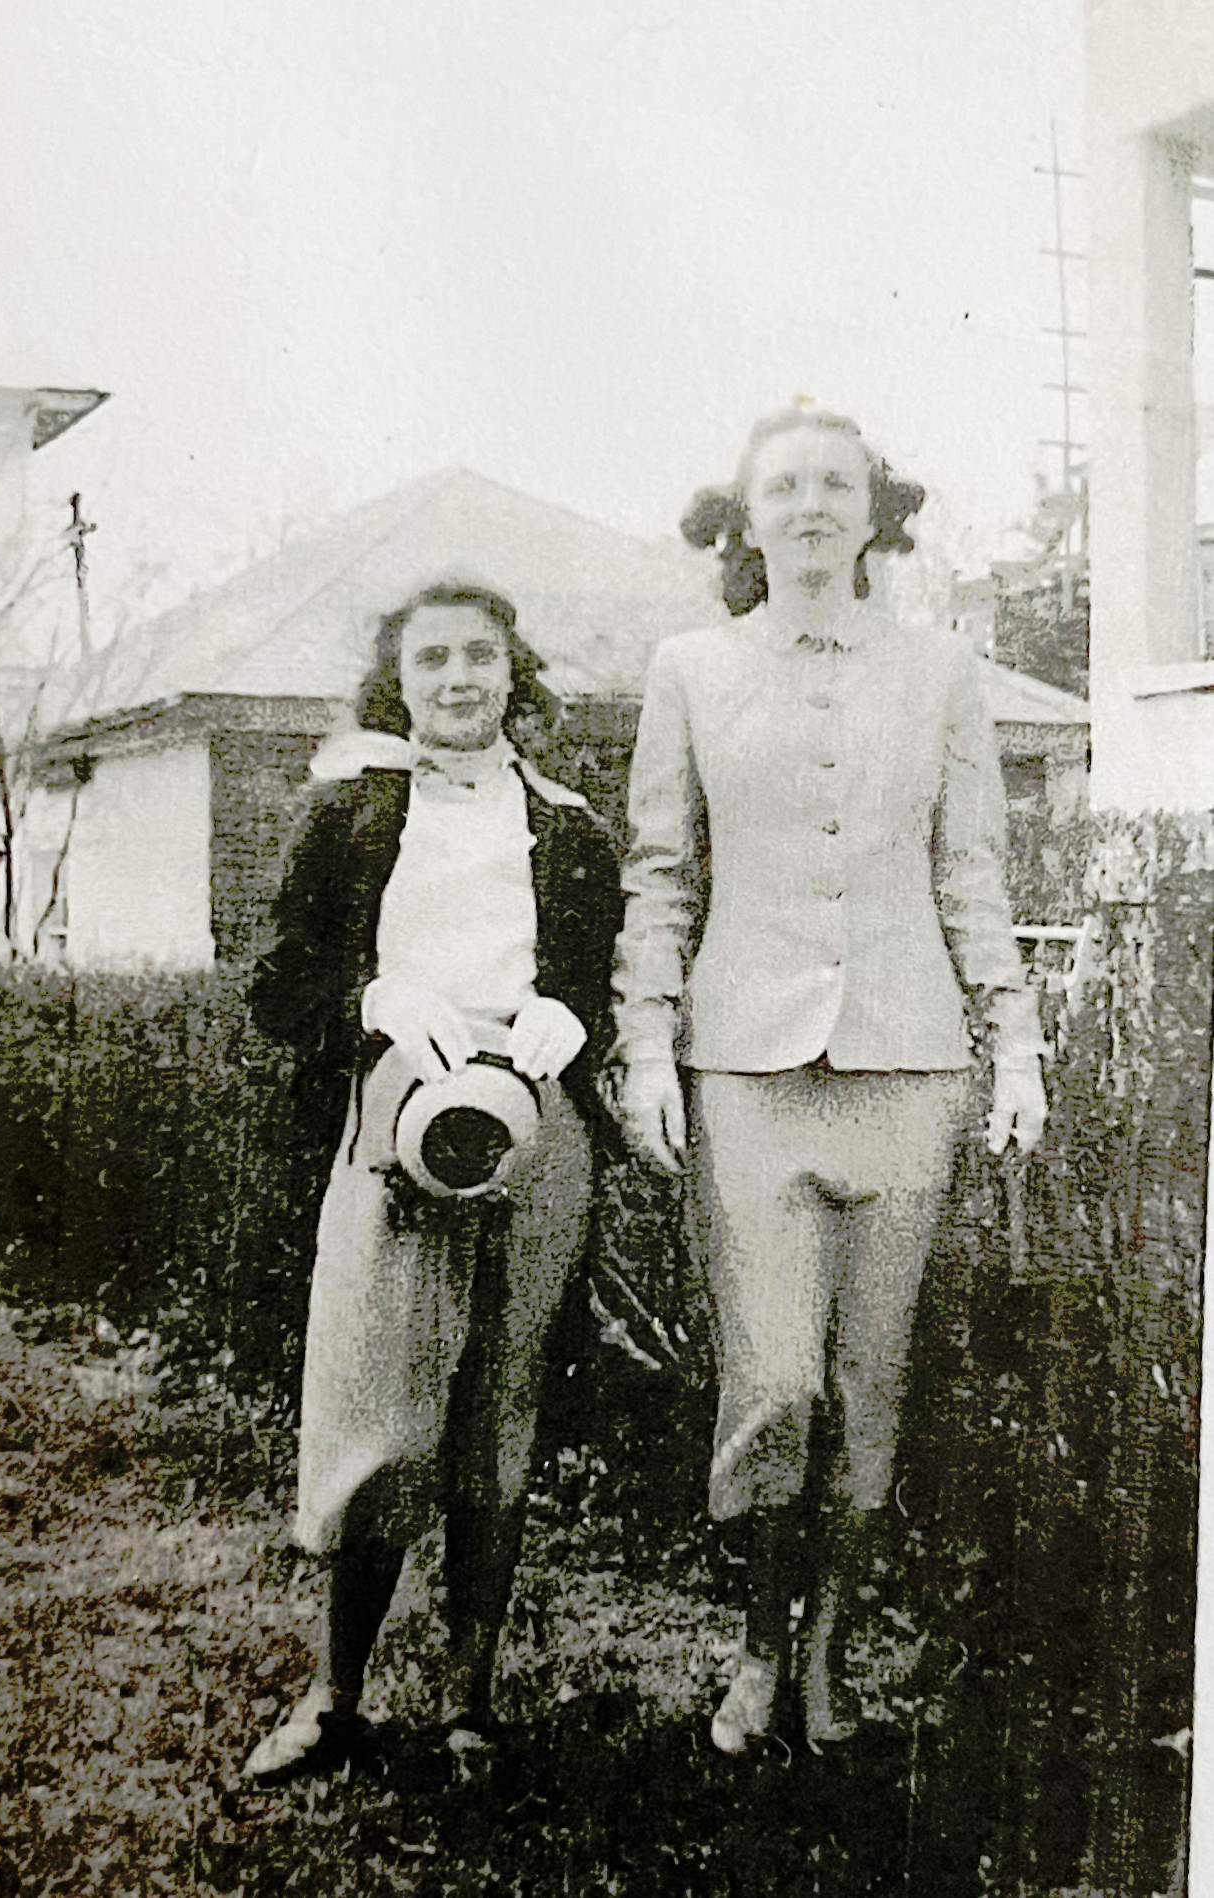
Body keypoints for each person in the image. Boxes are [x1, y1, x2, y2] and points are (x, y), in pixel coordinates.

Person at [613, 404, 1047, 1755]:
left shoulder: (943, 671)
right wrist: (645, 1043)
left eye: (836, 484)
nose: (811, 504)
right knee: (775, 1383)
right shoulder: (691, 667)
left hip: (907, 1067)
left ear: (876, 512)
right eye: (784, 485)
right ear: (745, 516)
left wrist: (1015, 1040)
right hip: (746, 1074)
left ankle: (822, 1660)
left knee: (869, 1390)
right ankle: (755, 1649)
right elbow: (660, 874)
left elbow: (972, 871)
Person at [244, 579, 622, 1776]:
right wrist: (372, 997)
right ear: (397, 681)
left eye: (480, 655)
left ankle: (471, 1702)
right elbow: (277, 983)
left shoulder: (570, 825)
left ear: (515, 672)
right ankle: (334, 1694)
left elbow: (603, 984)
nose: (459, 677)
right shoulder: (350, 810)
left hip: (536, 1125)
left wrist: (573, 1014)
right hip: (397, 1122)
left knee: (499, 1412)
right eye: (432, 658)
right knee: (379, 1409)